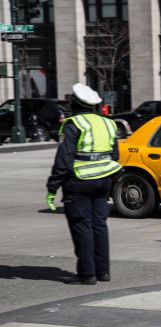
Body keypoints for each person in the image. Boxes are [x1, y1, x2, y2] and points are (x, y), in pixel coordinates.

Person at [46, 83, 121, 285]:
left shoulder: (74, 124)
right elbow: (115, 155)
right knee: (99, 225)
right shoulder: (108, 123)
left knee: (82, 225)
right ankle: (103, 272)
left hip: (79, 181)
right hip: (103, 180)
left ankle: (87, 274)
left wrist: (52, 186)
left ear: (75, 103)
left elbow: (64, 158)